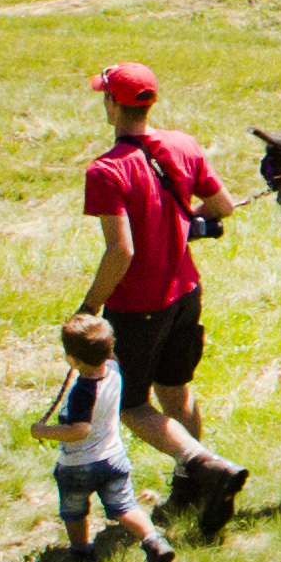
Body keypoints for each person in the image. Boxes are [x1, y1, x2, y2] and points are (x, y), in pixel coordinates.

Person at [77, 61, 246, 535]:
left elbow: (121, 251)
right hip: (186, 293)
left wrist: (89, 307)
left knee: (131, 404)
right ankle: (189, 487)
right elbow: (223, 208)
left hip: (137, 307)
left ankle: (206, 466)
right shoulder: (183, 145)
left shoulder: (106, 171)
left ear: (112, 105)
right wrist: (186, 222)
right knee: (175, 390)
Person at [32, 310, 174, 562]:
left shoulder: (82, 392)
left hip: (78, 466)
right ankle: (155, 541)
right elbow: (106, 354)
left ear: (72, 359)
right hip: (114, 459)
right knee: (125, 507)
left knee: (73, 510)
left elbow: (79, 430)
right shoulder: (113, 369)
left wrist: (44, 431)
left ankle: (81, 550)